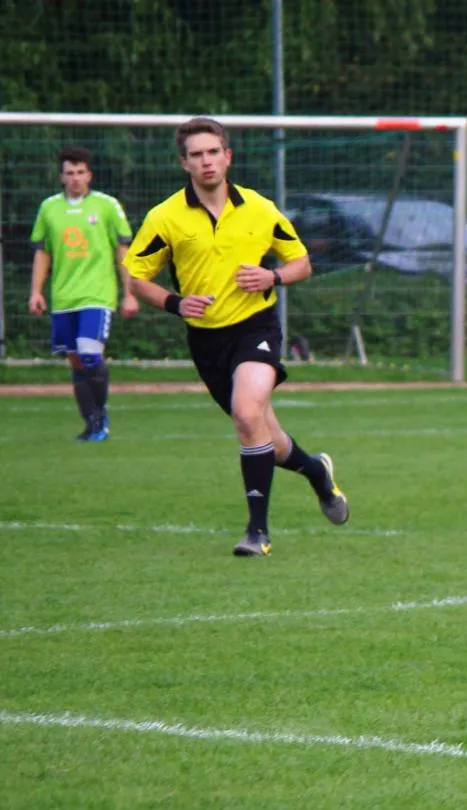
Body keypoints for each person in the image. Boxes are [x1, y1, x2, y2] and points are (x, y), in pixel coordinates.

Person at [123, 117, 349, 557]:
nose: (206, 161)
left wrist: (272, 276)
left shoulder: (260, 209)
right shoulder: (165, 217)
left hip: (255, 327)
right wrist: (174, 302)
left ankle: (257, 533)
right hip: (206, 341)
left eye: (213, 152)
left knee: (247, 413)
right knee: (266, 436)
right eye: (196, 155)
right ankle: (318, 473)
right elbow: (137, 279)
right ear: (184, 163)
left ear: (228, 156)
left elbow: (302, 263)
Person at [28, 146, 138, 442]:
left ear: (90, 175)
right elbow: (43, 252)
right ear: (61, 177)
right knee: (76, 360)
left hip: (97, 295)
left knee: (90, 355)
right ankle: (90, 423)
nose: (75, 178)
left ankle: (100, 415)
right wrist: (36, 291)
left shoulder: (106, 206)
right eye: (69, 173)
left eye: (80, 172)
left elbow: (123, 251)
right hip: (64, 297)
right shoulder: (49, 208)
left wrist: (129, 293)